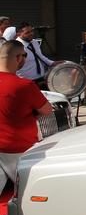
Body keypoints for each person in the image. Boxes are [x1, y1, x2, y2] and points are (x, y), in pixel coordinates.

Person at [0, 39, 52, 195]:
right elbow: (47, 110)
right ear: (18, 58)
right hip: (19, 149)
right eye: (25, 55)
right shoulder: (25, 85)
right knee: (26, 194)